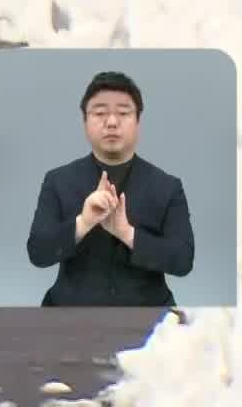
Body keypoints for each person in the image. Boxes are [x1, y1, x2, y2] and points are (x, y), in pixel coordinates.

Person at [25, 71, 194, 307]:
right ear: (84, 122)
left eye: (124, 113)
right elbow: (38, 253)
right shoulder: (57, 180)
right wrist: (83, 222)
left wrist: (127, 233)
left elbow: (183, 261)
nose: (112, 122)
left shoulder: (168, 186)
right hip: (70, 311)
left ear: (138, 122)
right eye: (100, 113)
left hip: (148, 317)